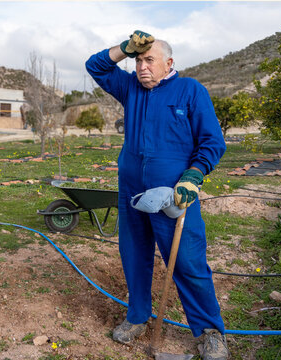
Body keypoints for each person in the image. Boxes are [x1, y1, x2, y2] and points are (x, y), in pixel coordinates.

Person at [85, 31, 229, 359]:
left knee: (187, 261)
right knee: (134, 255)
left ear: (169, 63)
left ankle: (210, 331)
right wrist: (124, 48)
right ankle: (137, 316)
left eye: (149, 59)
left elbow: (212, 142)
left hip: (174, 196)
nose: (141, 66)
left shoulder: (190, 91)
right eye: (138, 60)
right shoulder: (131, 88)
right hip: (133, 194)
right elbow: (95, 67)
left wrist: (194, 175)